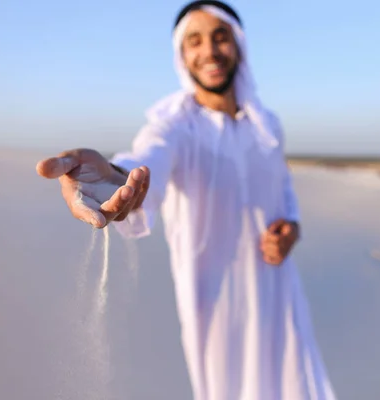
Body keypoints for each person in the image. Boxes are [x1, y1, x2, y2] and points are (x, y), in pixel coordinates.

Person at [36, 1, 336, 399]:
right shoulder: (176, 125)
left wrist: (292, 229)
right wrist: (114, 178)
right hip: (216, 307)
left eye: (219, 37)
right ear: (182, 55)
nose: (209, 51)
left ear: (238, 45)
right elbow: (147, 162)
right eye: (194, 41)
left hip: (278, 291)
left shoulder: (267, 125)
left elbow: (283, 188)